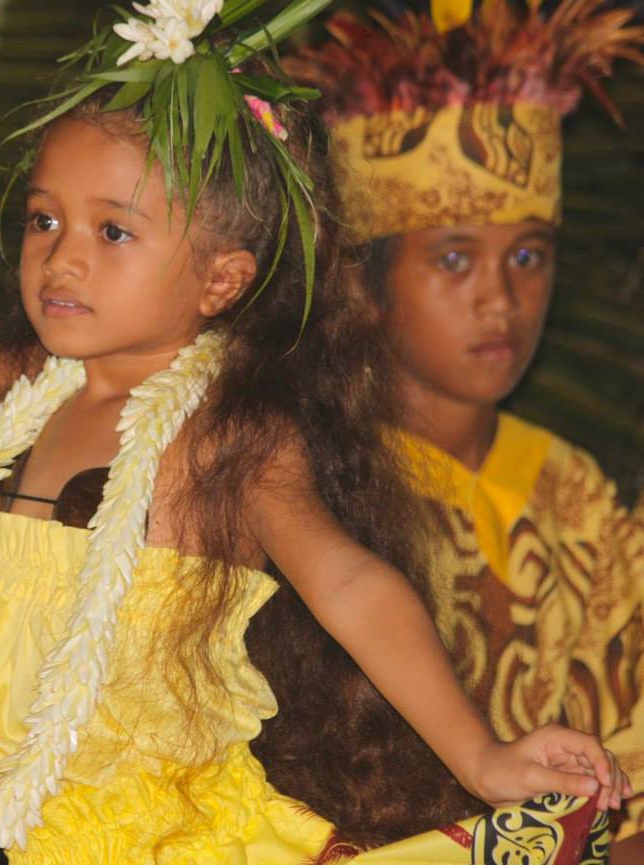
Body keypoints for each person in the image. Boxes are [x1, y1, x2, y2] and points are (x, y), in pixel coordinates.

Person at [0, 1, 633, 862]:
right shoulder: (29, 388)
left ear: (219, 281)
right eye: (43, 218)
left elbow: (351, 584)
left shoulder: (223, 435)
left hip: (173, 835)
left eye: (113, 232)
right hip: (40, 833)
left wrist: (479, 757)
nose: (60, 253)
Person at [258, 0, 644, 860]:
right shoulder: (297, 478)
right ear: (365, 282)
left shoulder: (579, 493)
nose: (501, 300)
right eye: (454, 258)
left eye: (528, 255)